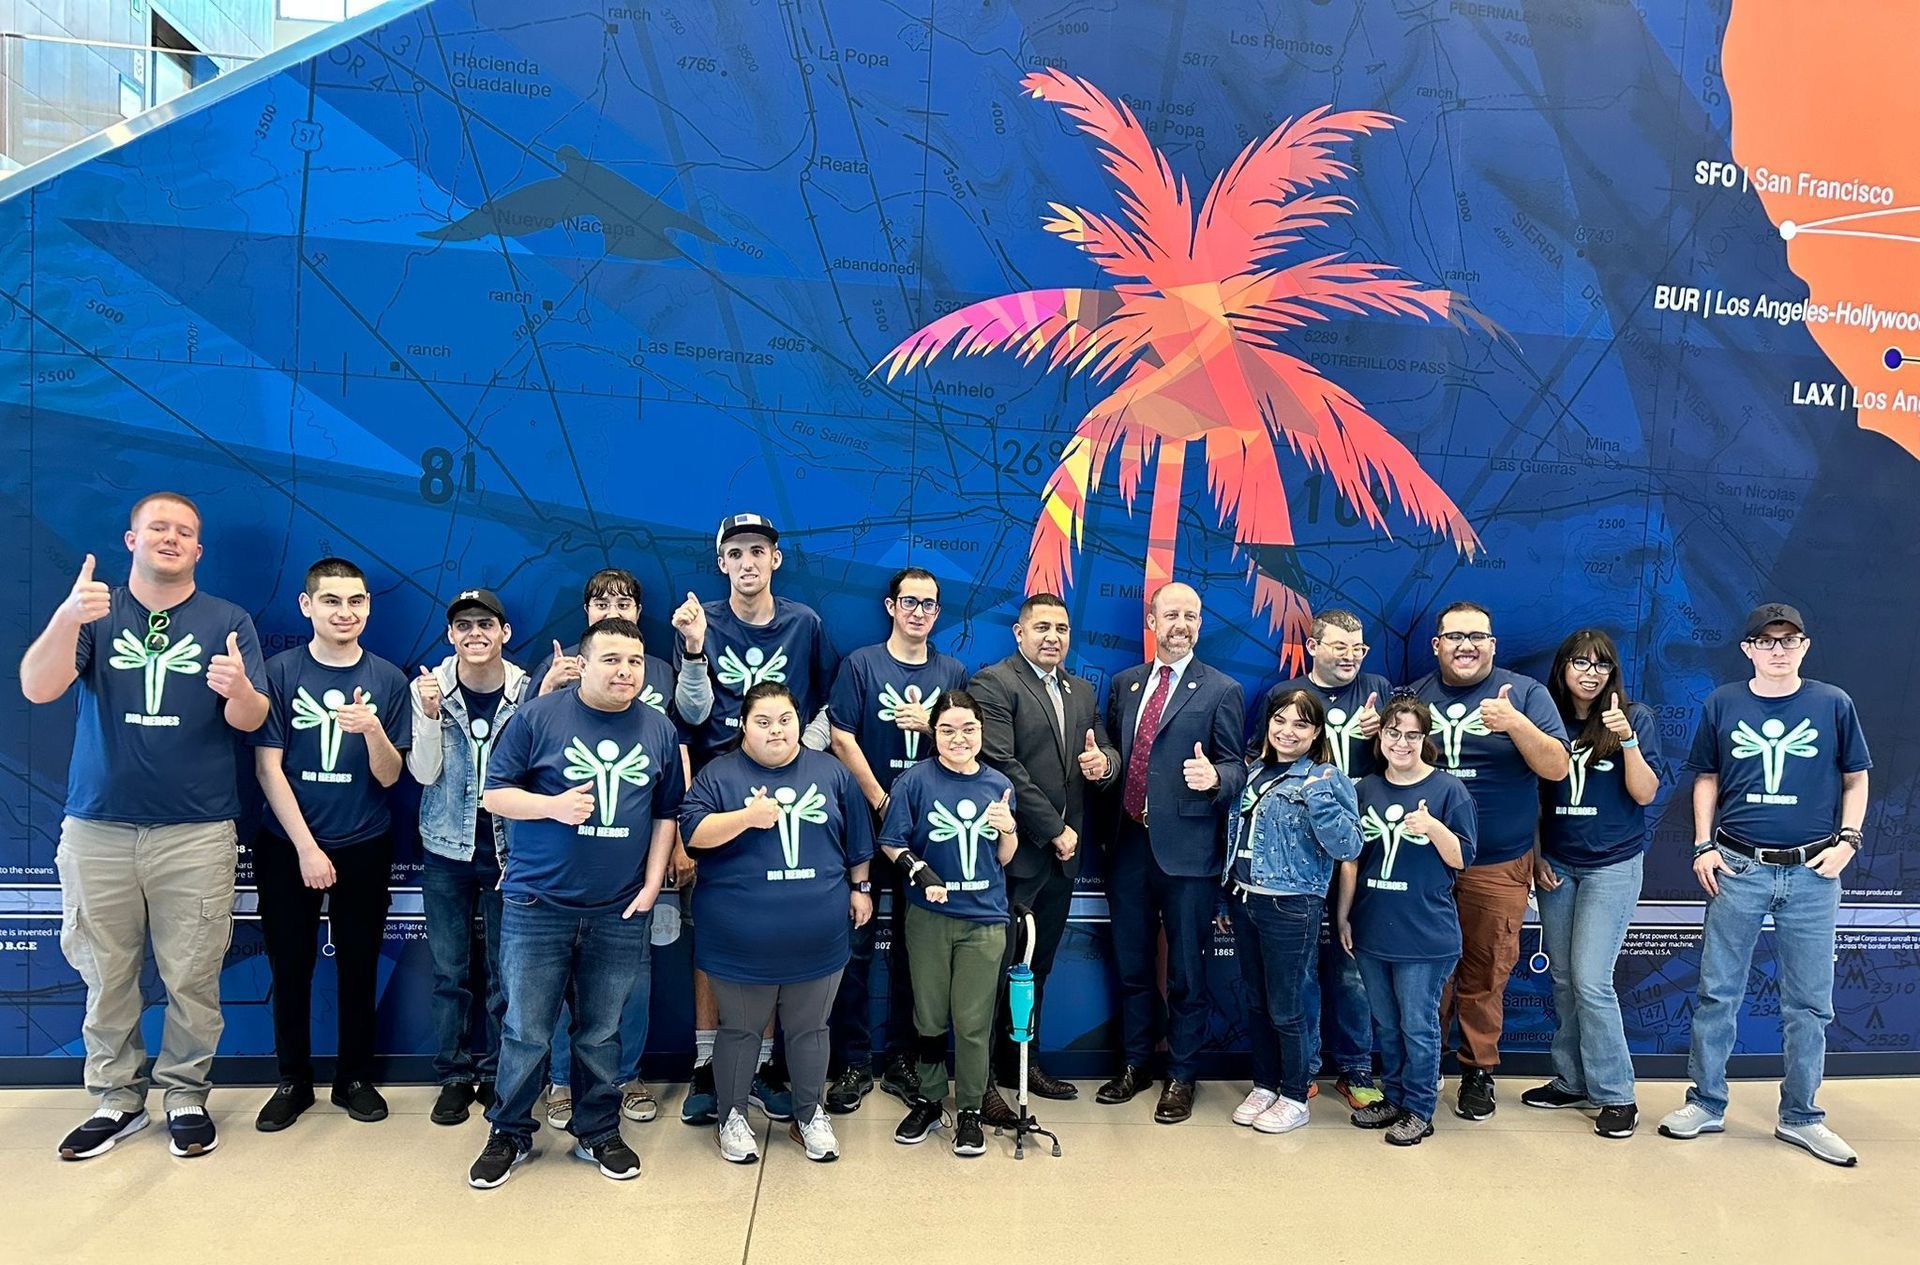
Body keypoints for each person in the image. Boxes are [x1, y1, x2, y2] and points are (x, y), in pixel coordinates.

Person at [22, 492, 268, 1162]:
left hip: (196, 831)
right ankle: (117, 1099)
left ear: (198, 550)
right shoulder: (94, 610)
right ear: (132, 540)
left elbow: (251, 719)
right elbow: (38, 687)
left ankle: (185, 1095)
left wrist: (240, 690)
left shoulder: (228, 619)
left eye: (184, 531)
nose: (171, 538)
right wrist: (66, 616)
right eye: (158, 527)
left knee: (192, 974)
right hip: (98, 827)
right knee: (106, 974)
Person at [465, 618, 683, 1188]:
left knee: (600, 1033)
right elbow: (494, 794)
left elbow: (666, 813)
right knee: (526, 1031)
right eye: (611, 659)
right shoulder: (537, 717)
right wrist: (552, 807)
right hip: (538, 905)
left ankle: (598, 1130)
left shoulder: (658, 728)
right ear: (582, 665)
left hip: (618, 909)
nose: (624, 671)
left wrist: (653, 884)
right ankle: (508, 1133)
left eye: (634, 661)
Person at [1660, 604, 1870, 1167]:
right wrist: (1702, 844)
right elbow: (1706, 777)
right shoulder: (1723, 702)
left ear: (1805, 646)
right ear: (1748, 649)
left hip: (1813, 871)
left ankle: (1802, 1116)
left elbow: (1856, 777)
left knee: (1809, 1002)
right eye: (1766, 641)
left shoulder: (1833, 703)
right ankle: (1705, 1103)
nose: (1779, 650)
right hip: (1738, 866)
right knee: (1718, 992)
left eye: (1789, 640)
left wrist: (1848, 841)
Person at [526, 567, 710, 1129]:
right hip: (565, 858)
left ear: (638, 611)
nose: (613, 609)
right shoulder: (560, 667)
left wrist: (678, 842)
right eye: (601, 602)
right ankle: (562, 1080)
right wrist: (548, 687)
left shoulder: (660, 670)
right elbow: (523, 760)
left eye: (624, 602)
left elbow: (680, 746)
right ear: (586, 613)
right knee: (563, 979)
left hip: (636, 854)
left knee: (631, 975)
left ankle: (625, 1076)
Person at [677, 513, 840, 1127]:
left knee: (775, 917)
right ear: (722, 562)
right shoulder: (700, 620)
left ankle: (766, 1066)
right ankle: (707, 1062)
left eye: (758, 551)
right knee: (718, 932)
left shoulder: (804, 623)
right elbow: (689, 716)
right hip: (718, 788)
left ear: (776, 559)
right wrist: (695, 648)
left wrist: (801, 758)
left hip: (787, 789)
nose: (748, 562)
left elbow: (829, 701)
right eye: (737, 552)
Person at [680, 682, 874, 1164]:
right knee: (741, 1031)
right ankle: (731, 1117)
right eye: (763, 722)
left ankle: (809, 1115)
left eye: (785, 720)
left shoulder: (831, 772)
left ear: (799, 723)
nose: (776, 731)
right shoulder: (718, 774)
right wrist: (746, 817)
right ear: (744, 726)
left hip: (818, 934)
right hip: (739, 939)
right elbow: (694, 834)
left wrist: (861, 887)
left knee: (811, 1030)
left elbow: (857, 840)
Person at [251, 558, 412, 1133]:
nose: (345, 612)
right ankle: (293, 1080)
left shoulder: (389, 680)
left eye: (356, 601)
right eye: (332, 601)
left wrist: (373, 731)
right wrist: (307, 849)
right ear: (307, 605)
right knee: (290, 964)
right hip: (287, 844)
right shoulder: (279, 672)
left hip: (365, 842)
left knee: (359, 964)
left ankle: (354, 1078)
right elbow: (267, 768)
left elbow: (391, 776)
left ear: (368, 607)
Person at [1405, 601, 1569, 1119]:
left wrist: (1515, 723)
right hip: (1422, 863)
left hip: (1497, 864)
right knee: (1425, 974)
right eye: (1455, 636)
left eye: (1477, 636)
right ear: (1437, 645)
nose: (1466, 646)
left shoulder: (1525, 694)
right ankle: (1423, 1067)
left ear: (1493, 645)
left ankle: (1477, 1071)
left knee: (1485, 972)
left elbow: (1557, 767)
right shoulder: (1412, 697)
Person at [1096, 582, 1246, 1124]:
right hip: (1129, 846)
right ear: (1152, 621)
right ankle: (1135, 1065)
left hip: (1189, 854)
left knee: (1186, 972)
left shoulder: (1222, 689)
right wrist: (1103, 764)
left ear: (1200, 624)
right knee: (1133, 966)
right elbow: (1118, 755)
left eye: (1191, 616)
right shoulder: (1126, 683)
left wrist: (1216, 778)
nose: (1181, 624)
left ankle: (1182, 1075)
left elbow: (1237, 767)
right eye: (1172, 615)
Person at [824, 567, 970, 1113]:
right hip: (865, 826)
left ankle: (905, 1061)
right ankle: (854, 1061)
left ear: (938, 613)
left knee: (918, 954)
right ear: (891, 607)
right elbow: (841, 737)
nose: (918, 612)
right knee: (854, 948)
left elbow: (963, 740)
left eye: (929, 604)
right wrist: (884, 801)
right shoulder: (861, 664)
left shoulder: (952, 671)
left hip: (928, 835)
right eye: (909, 601)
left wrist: (932, 726)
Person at [970, 593, 1119, 1123]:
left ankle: (1022, 1065)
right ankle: (982, 1081)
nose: (1053, 637)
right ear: (1019, 633)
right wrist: (1054, 829)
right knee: (995, 972)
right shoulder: (994, 683)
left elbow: (1104, 749)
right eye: (1042, 627)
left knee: (1037, 969)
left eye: (1061, 628)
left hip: (1063, 861)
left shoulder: (1081, 690)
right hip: (1017, 856)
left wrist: (1105, 763)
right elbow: (1001, 764)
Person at [1522, 629, 1660, 1139]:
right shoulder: (1547, 719)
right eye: (1580, 662)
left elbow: (1645, 794)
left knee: (1591, 980)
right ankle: (1573, 1080)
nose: (1591, 673)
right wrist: (1537, 854)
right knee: (1563, 978)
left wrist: (1628, 741)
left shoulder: (1634, 716)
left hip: (1612, 865)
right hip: (1559, 864)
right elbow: (1532, 798)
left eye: (1601, 665)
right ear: (1563, 668)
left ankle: (1617, 1094)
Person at [1260, 608, 1392, 1110]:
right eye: (1339, 646)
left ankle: (1356, 1067)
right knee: (1300, 969)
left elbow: (1409, 754)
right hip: (1295, 859)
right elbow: (1266, 763)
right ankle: (1305, 1066)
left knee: (1351, 964)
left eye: (1358, 648)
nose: (1350, 656)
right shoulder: (1287, 694)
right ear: (1313, 647)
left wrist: (1380, 736)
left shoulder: (1377, 688)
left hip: (1359, 853)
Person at [409, 587, 531, 1125]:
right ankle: (455, 1076)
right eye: (464, 626)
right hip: (445, 849)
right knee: (450, 973)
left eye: (486, 624)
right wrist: (429, 714)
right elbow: (423, 772)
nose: (475, 633)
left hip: (510, 853)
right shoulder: (429, 688)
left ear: (505, 633)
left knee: (508, 975)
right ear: (450, 635)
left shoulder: (528, 691)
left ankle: (503, 1073)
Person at [882, 691, 1018, 1157]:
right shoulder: (914, 781)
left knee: (973, 1021)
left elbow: (1005, 857)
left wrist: (1007, 828)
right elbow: (892, 841)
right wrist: (919, 871)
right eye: (947, 729)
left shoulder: (999, 783)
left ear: (981, 731)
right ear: (933, 732)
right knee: (929, 1016)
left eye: (968, 729)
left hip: (984, 920)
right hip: (930, 918)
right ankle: (929, 1098)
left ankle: (972, 1110)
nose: (959, 739)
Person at [1337, 698, 1478, 1147]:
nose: (1402, 742)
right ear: (1380, 736)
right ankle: (1394, 1097)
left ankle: (1419, 1108)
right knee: (1386, 1023)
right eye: (1393, 733)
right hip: (1373, 928)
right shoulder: (1366, 789)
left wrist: (1433, 827)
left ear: (1425, 738)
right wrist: (1343, 915)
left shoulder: (1448, 790)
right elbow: (1352, 861)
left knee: (1418, 1025)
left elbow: (1463, 857)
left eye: (1412, 734)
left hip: (1424, 934)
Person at [1221, 689, 1361, 1135]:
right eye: (1280, 720)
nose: (1288, 731)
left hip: (1291, 905)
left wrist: (1319, 799)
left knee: (1288, 1006)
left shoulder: (1325, 777)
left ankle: (1296, 1095)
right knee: (1257, 1001)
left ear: (1316, 732)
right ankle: (1265, 1085)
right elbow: (1236, 838)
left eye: (1301, 724)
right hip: (1245, 898)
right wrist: (1227, 893)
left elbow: (1349, 846)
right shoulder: (1253, 771)